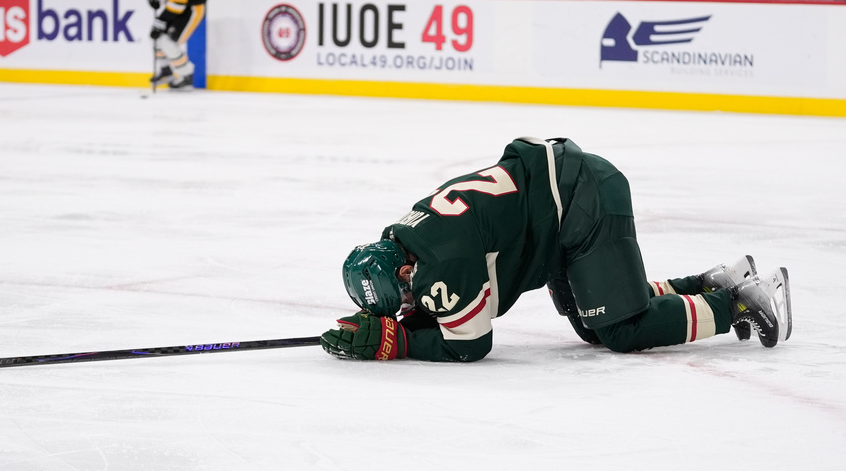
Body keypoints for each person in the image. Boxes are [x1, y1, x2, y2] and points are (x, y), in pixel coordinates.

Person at [320, 136, 793, 362]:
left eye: (403, 297)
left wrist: (397, 340)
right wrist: (395, 322)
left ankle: (739, 303)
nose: (408, 304)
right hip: (560, 206)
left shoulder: (441, 263)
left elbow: (470, 343)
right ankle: (708, 284)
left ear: (404, 274)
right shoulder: (408, 236)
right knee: (594, 320)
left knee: (620, 330)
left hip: (581, 202)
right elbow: (442, 296)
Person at [145, 0, 207, 90]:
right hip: (176, 4)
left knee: (168, 41)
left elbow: (177, 7)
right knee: (157, 38)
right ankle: (166, 70)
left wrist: (159, 23)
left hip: (191, 7)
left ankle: (186, 75)